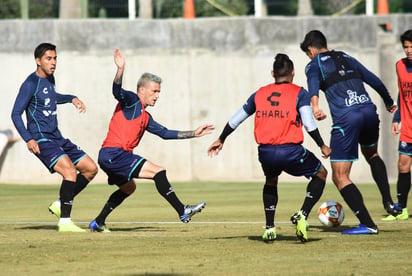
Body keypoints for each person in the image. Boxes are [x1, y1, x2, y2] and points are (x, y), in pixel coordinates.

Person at [208, 53, 331, 242]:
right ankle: (303, 214)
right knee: (321, 173)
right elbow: (308, 122)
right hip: (290, 151)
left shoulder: (259, 93)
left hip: (265, 152)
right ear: (293, 73)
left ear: (273, 73)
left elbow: (236, 118)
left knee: (271, 180)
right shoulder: (300, 93)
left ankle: (269, 228)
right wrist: (322, 145)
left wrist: (221, 138)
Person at [88, 48, 214, 232]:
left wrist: (194, 133)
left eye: (159, 92)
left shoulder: (145, 117)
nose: (157, 96)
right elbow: (116, 91)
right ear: (142, 90)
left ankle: (98, 222)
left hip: (110, 156)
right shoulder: (132, 101)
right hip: (114, 153)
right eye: (154, 91)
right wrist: (120, 69)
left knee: (129, 188)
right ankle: (182, 210)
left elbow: (165, 133)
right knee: (158, 172)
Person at [300, 30, 401, 235]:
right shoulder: (346, 56)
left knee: (340, 176)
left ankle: (368, 224)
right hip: (368, 111)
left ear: (311, 50)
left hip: (348, 118)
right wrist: (389, 102)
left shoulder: (314, 64)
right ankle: (389, 202)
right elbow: (374, 80)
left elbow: (312, 84)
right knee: (372, 154)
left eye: (308, 53)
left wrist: (315, 106)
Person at [11, 43, 98, 232]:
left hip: (57, 137)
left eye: (55, 58)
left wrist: (71, 98)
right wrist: (28, 139)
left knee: (90, 169)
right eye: (49, 59)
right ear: (38, 61)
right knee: (69, 171)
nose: (53, 62)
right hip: (40, 138)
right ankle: (65, 221)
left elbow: (51, 96)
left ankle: (60, 203)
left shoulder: (50, 79)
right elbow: (16, 114)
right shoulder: (30, 83)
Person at [382, 29, 412, 221]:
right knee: (403, 165)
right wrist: (396, 119)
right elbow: (401, 94)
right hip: (408, 126)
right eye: (406, 47)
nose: (409, 50)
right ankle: (401, 209)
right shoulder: (400, 66)